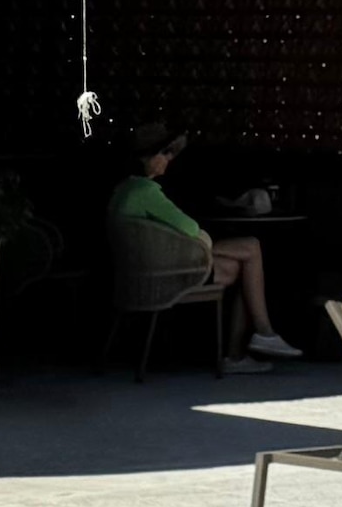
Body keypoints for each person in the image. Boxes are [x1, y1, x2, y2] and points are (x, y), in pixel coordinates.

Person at [113, 126, 298, 365]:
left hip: (142, 272)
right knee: (250, 248)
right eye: (165, 154)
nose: (169, 160)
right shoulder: (145, 191)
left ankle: (252, 343)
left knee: (243, 260)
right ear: (150, 156)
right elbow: (190, 229)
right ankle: (256, 338)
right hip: (165, 274)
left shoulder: (124, 189)